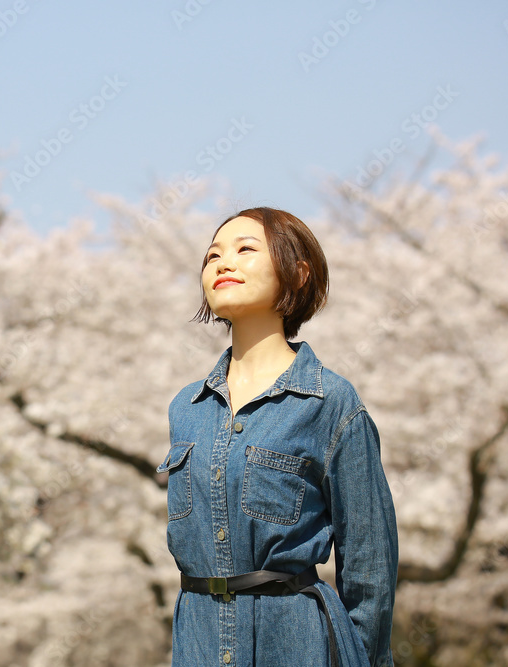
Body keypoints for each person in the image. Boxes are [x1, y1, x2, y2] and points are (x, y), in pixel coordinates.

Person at [158, 207, 398, 666]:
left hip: (296, 644)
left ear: (299, 273)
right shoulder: (186, 408)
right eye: (212, 256)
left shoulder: (331, 402)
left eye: (245, 249)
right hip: (199, 642)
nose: (223, 263)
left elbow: (370, 568)